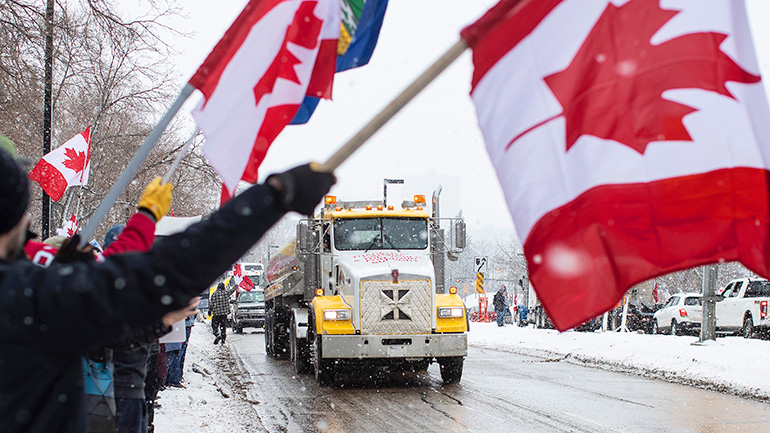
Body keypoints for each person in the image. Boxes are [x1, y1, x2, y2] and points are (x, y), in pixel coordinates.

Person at [0, 144, 335, 433]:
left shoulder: (28, 292)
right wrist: (274, 195)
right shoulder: (28, 297)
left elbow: (133, 275)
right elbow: (167, 268)